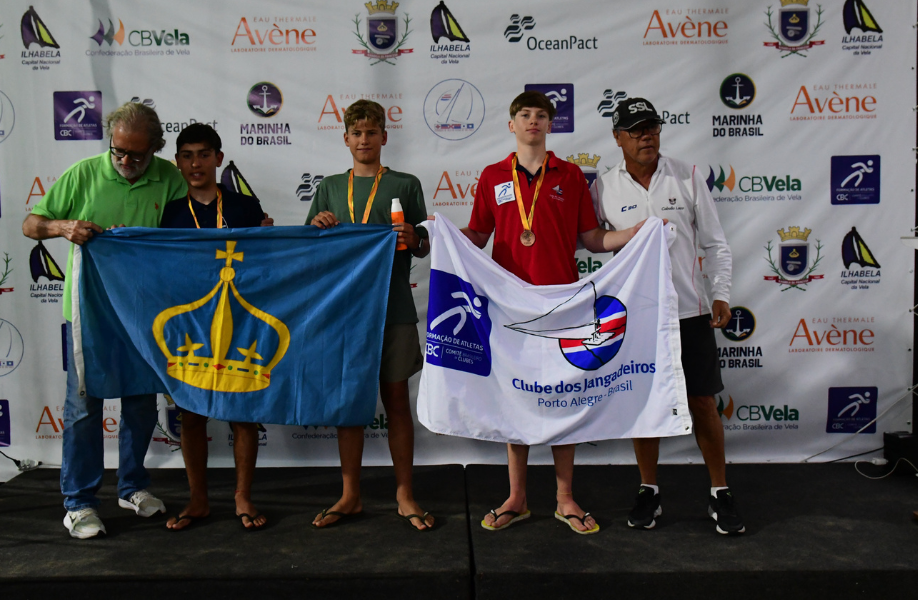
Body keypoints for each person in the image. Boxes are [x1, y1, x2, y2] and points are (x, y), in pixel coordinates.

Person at [460, 91, 647, 535]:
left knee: (565, 396)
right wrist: (437, 239)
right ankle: (517, 497)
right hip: (510, 306)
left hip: (565, 301)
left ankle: (564, 497)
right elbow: (478, 236)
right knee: (516, 398)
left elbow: (592, 238)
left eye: (541, 116)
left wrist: (636, 234)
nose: (532, 122)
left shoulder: (571, 178)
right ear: (512, 124)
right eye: (524, 114)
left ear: (551, 125)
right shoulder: (491, 177)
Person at [22, 102, 187, 539]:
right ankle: (78, 503)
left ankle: (132, 486)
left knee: (138, 405)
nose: (127, 162)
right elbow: (30, 223)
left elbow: (185, 240)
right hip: (87, 313)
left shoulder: (169, 177)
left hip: (143, 313)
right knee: (83, 407)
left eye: (137, 154)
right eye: (119, 152)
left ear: (154, 148)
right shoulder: (84, 172)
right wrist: (62, 228)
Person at [591, 97, 742, 535]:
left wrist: (721, 294)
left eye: (652, 127)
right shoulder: (604, 187)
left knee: (702, 402)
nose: (646, 136)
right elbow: (591, 239)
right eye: (635, 130)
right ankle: (649, 489)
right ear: (617, 138)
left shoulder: (688, 175)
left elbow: (715, 244)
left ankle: (720, 490)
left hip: (690, 312)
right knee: (645, 402)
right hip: (636, 314)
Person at [306, 99, 434, 531]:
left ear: (384, 136)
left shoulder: (405, 183)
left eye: (371, 132)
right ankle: (350, 494)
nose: (364, 140)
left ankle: (405, 493)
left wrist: (415, 235)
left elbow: (423, 246)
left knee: (396, 400)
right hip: (345, 313)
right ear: (346, 139)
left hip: (394, 307)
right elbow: (310, 252)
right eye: (356, 133)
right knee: (349, 405)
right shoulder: (327, 188)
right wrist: (318, 226)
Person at [159, 123, 274, 532]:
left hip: (238, 320)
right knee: (190, 414)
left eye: (204, 155)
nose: (196, 163)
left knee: (242, 414)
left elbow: (268, 261)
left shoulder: (244, 206)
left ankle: (242, 496)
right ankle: (198, 499)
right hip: (191, 325)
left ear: (218, 159)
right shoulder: (171, 212)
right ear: (177, 163)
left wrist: (269, 235)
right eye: (187, 156)